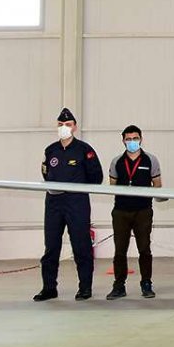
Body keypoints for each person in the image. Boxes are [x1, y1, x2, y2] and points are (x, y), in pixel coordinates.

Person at [34, 108, 103, 302]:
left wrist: (77, 188)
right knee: (51, 247)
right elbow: (46, 173)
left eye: (68, 124)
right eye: (60, 124)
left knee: (81, 246)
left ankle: (85, 288)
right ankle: (49, 288)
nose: (64, 127)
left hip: (76, 203)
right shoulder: (51, 150)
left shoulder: (84, 150)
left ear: (75, 127)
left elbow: (96, 177)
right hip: (54, 203)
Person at [106, 125, 162, 300]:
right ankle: (119, 285)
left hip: (143, 211)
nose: (132, 142)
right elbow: (112, 186)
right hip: (121, 211)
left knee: (144, 248)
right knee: (120, 250)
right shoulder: (116, 162)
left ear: (141, 139)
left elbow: (157, 185)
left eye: (135, 138)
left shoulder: (151, 160)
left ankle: (146, 283)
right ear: (123, 141)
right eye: (128, 139)